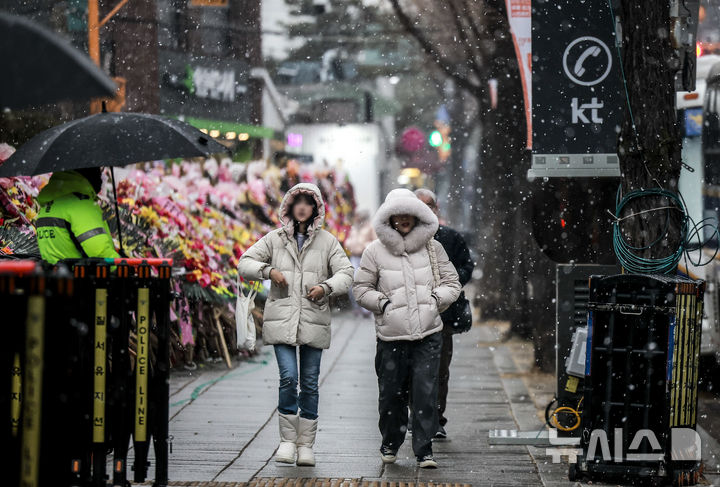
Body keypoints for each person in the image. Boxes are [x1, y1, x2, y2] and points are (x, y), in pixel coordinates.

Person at [237, 183, 353, 467]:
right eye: (297, 201)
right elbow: (244, 263)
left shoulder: (327, 242)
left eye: (308, 202)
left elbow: (347, 273)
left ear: (315, 208)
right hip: (282, 320)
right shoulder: (275, 240)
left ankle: (306, 446)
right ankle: (287, 442)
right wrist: (268, 271)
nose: (302, 206)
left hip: (314, 320)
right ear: (289, 207)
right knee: (289, 377)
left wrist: (325, 287)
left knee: (310, 384)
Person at [353, 189, 460, 469]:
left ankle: (424, 449)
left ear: (416, 216)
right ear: (388, 218)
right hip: (391, 337)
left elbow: (453, 283)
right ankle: (390, 441)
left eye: (408, 213)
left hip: (429, 334)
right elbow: (361, 288)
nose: (403, 219)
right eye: (396, 214)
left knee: (425, 393)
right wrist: (383, 304)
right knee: (391, 394)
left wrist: (437, 301)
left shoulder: (433, 248)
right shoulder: (374, 251)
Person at [415, 188, 475, 439]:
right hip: (412, 314)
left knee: (440, 369)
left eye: (429, 206)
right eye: (419, 206)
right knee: (413, 369)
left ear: (436, 209)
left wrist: (447, 287)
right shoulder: (401, 240)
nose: (424, 211)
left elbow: (465, 268)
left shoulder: (450, 238)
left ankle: (436, 418)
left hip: (444, 315)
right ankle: (416, 416)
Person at [35, 168, 120, 264]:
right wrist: (121, 265)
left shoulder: (48, 205)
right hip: (82, 275)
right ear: (88, 172)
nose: (101, 177)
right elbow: (99, 252)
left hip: (55, 275)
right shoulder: (81, 205)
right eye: (98, 170)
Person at [343, 209, 376, 315]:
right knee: (352, 280)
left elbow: (375, 241)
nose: (356, 217)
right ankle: (356, 305)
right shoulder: (354, 227)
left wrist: (365, 246)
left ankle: (366, 308)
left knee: (364, 281)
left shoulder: (370, 227)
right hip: (354, 256)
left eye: (358, 215)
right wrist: (348, 244)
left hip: (364, 257)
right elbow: (349, 239)